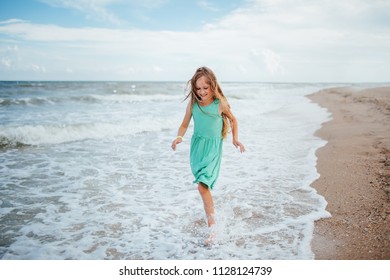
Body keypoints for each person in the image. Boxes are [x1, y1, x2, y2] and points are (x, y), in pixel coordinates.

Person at [171, 66, 245, 244]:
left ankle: (213, 230)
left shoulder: (219, 104)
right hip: (197, 149)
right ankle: (213, 220)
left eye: (206, 88)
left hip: (212, 149)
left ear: (213, 85)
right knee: (203, 185)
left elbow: (233, 119)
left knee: (203, 186)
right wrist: (179, 137)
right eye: (198, 88)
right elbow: (184, 124)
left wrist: (235, 139)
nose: (202, 92)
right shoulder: (194, 105)